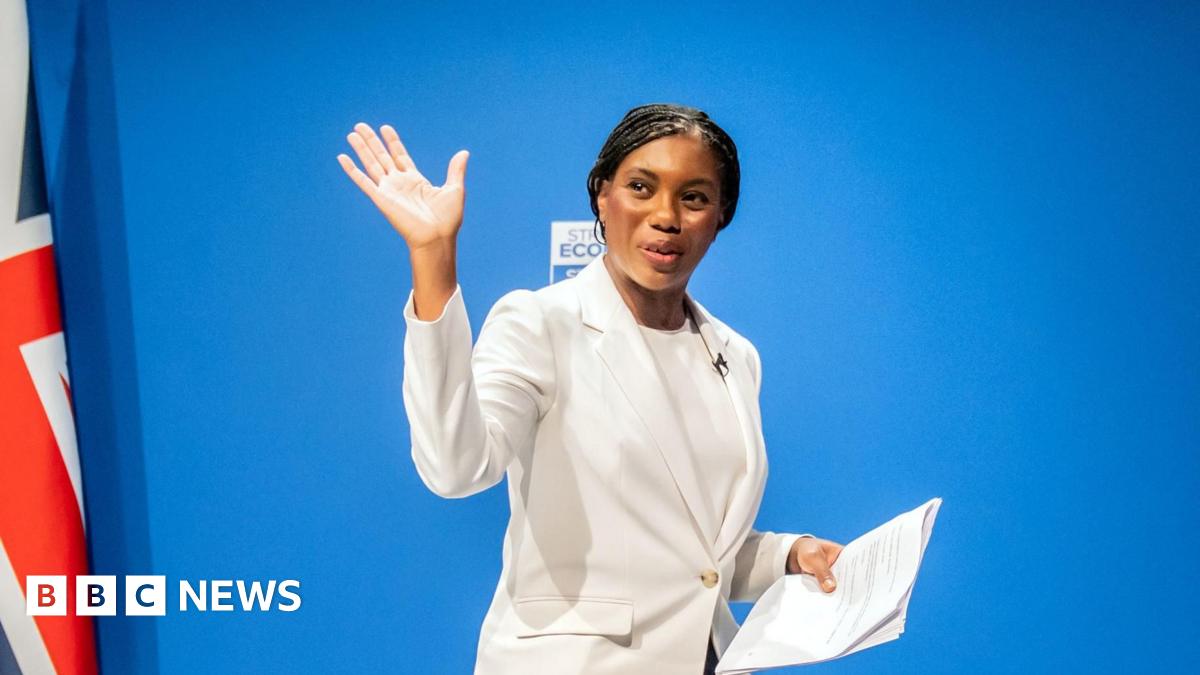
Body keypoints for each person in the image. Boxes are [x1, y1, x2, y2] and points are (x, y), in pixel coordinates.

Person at [337, 104, 845, 675]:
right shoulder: (541, 322)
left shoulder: (735, 355)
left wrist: (786, 556)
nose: (666, 216)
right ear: (602, 197)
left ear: (721, 214)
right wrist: (433, 256)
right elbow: (456, 467)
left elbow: (694, 558)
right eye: (640, 187)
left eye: (695, 197)